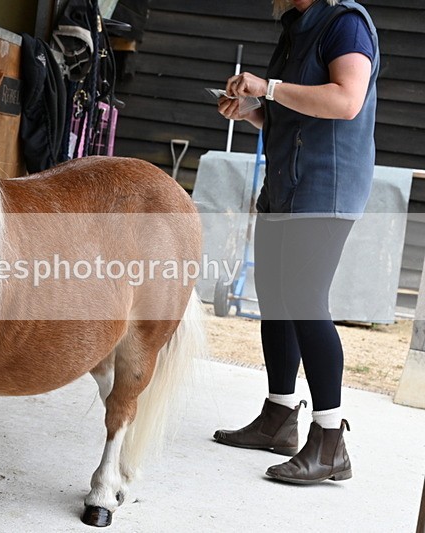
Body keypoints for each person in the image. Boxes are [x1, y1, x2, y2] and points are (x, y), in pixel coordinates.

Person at [212, 0, 379, 484]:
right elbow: (294, 114)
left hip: (325, 187)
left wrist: (270, 88)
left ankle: (330, 441)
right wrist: (253, 112)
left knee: (305, 302)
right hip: (286, 182)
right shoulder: (295, 30)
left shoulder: (346, 24)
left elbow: (347, 101)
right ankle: (279, 417)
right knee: (277, 300)